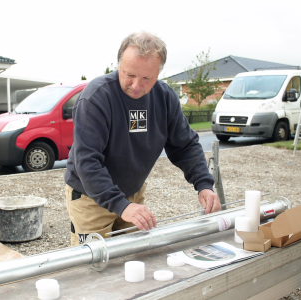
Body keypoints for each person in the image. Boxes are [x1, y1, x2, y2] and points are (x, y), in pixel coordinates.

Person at [64, 31, 221, 246]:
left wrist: (204, 184)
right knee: (93, 265)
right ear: (119, 65)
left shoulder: (165, 98)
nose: (137, 85)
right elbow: (87, 161)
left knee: (136, 257)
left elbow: (185, 146)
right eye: (129, 75)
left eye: (146, 78)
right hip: (91, 198)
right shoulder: (96, 97)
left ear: (158, 73)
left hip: (133, 194)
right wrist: (121, 205)